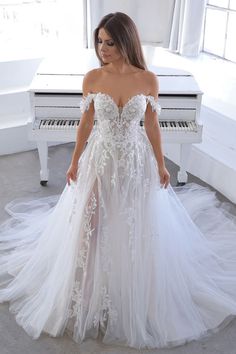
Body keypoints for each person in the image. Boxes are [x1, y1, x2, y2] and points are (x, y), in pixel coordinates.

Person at [0, 11, 236, 351]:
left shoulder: (148, 79)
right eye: (99, 41)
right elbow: (85, 123)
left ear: (126, 41)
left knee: (133, 220)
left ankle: (131, 286)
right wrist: (74, 160)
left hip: (136, 161)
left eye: (110, 42)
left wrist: (161, 164)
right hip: (100, 157)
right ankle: (87, 292)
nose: (102, 48)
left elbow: (152, 126)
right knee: (90, 222)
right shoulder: (93, 77)